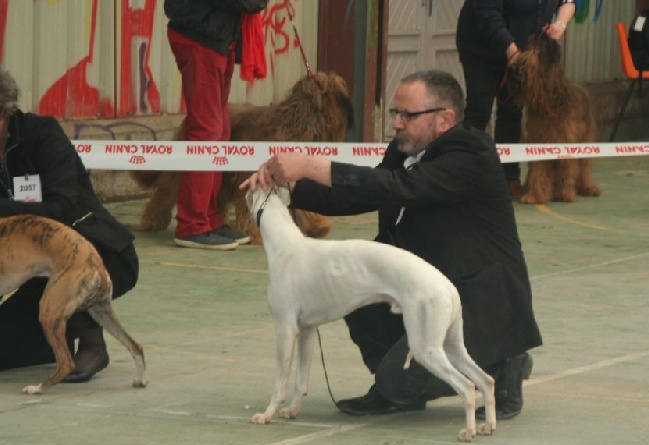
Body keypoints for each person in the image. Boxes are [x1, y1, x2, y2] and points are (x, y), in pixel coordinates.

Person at [242, 69, 542, 420]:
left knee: (404, 383)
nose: (397, 123)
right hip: (415, 288)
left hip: (477, 299)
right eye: (394, 114)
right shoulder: (404, 150)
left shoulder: (472, 152)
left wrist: (310, 165)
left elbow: (399, 188)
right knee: (351, 287)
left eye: (407, 115)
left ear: (445, 118)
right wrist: (289, 189)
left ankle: (505, 362)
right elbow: (360, 197)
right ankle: (391, 383)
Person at [0, 68, 139, 381]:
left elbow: (61, 207)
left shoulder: (42, 133)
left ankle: (92, 341)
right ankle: (50, 338)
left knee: (64, 284)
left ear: (5, 113)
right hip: (35, 269)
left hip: (100, 251)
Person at [165, 0, 267, 250]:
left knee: (219, 130)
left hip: (217, 37)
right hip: (200, 37)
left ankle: (209, 219)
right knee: (206, 131)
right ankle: (192, 225)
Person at [456, 0, 576, 197]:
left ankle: (508, 178)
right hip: (481, 48)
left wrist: (560, 24)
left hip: (522, 50)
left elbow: (568, 2)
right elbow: (488, 15)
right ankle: (468, 178)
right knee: (479, 113)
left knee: (512, 112)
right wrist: (511, 50)